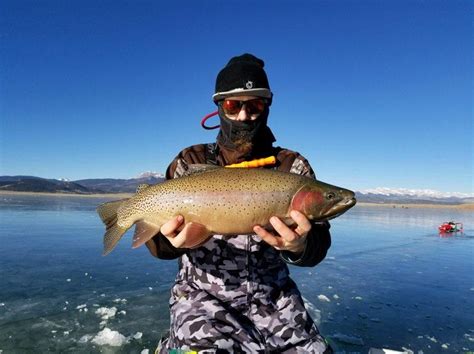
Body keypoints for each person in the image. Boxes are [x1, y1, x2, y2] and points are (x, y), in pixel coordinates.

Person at [146, 53, 333, 353]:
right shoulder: (189, 161)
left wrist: (300, 247)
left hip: (274, 297)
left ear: (267, 107)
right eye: (234, 106)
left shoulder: (292, 167)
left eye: (255, 105)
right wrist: (173, 242)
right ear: (219, 107)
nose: (244, 117)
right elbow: (157, 244)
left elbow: (319, 243)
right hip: (201, 298)